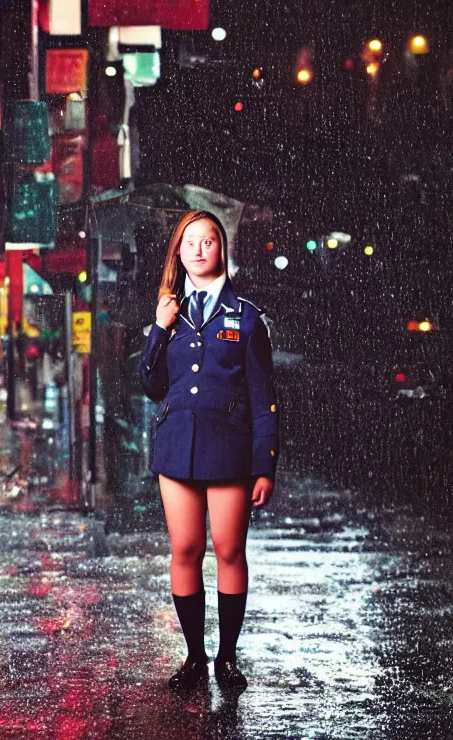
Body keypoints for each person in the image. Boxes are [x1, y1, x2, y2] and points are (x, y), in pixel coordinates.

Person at [138, 210, 279, 692]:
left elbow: (265, 400)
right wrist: (158, 330)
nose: (199, 249)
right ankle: (195, 657)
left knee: (228, 550)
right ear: (178, 253)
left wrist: (264, 465)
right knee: (185, 548)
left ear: (223, 249)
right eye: (190, 242)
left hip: (230, 448)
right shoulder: (169, 314)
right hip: (177, 445)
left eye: (209, 241)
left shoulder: (247, 318)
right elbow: (151, 386)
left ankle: (227, 658)